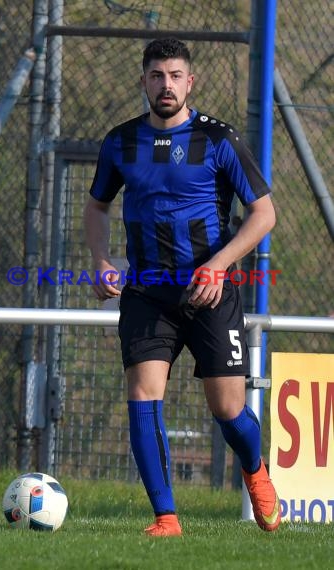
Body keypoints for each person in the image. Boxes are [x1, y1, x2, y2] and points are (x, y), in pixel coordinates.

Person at [84, 37, 281, 537]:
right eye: (156, 75)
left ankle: (254, 469)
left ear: (190, 82)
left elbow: (264, 213)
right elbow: (97, 206)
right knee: (143, 394)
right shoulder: (120, 142)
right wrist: (102, 260)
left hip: (211, 292)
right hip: (148, 292)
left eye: (175, 76)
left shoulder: (219, 139)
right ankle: (166, 518)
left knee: (230, 411)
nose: (165, 84)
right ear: (143, 80)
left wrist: (218, 265)